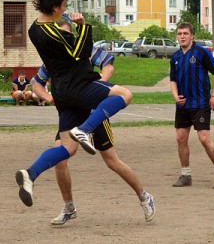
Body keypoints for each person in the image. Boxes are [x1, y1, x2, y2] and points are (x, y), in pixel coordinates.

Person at [15, 0, 155, 222]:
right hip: (81, 93)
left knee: (102, 159)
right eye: (65, 7)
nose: (67, 16)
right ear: (58, 8)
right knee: (125, 95)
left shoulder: (34, 29)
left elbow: (107, 64)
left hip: (77, 97)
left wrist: (100, 84)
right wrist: (83, 27)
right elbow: (76, 53)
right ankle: (70, 202)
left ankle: (31, 173)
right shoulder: (63, 38)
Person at [32, 41, 155, 224]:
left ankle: (144, 197)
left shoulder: (85, 49)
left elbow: (108, 65)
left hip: (94, 113)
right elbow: (36, 84)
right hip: (72, 114)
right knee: (60, 159)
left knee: (112, 161)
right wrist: (49, 97)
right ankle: (69, 207)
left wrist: (98, 88)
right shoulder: (54, 57)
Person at [169, 22, 214, 189]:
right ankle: (186, 175)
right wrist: (175, 97)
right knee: (181, 139)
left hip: (200, 103)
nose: (182, 36)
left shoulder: (201, 53)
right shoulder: (175, 57)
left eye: (185, 33)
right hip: (182, 106)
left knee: (203, 139)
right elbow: (172, 80)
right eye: (179, 33)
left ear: (192, 36)